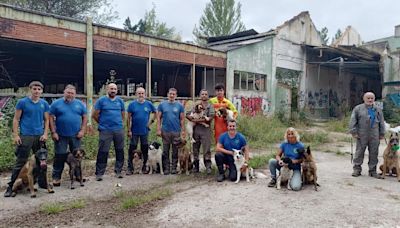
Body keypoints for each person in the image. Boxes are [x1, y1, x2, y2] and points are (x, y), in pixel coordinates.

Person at [4, 81, 50, 197]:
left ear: (42, 91)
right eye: (34, 89)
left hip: (39, 136)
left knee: (42, 162)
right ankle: (11, 186)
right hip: (26, 136)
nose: (37, 91)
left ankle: (43, 183)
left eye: (39, 89)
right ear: (30, 90)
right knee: (20, 162)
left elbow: (46, 120)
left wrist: (45, 133)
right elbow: (16, 119)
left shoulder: (44, 103)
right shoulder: (22, 102)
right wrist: (16, 135)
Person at [49, 84, 87, 186]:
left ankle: (78, 176)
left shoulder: (80, 104)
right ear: (64, 93)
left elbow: (84, 117)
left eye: (72, 93)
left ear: (75, 94)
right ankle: (56, 177)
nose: (70, 95)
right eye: (68, 93)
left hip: (76, 135)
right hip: (60, 135)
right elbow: (51, 118)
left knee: (77, 157)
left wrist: (82, 130)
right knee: (59, 156)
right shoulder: (56, 104)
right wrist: (53, 132)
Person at [92, 83, 125, 180]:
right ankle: (99, 173)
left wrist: (119, 123)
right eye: (111, 89)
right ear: (107, 89)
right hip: (105, 130)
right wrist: (102, 123)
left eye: (115, 89)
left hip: (118, 130)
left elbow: (123, 114)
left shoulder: (120, 101)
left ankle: (118, 171)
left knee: (119, 150)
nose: (113, 90)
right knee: (103, 151)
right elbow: (95, 115)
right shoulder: (101, 100)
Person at [349, 92, 385, 178]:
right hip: (362, 133)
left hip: (374, 134)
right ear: (364, 99)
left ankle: (372, 171)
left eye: (372, 98)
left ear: (374, 99)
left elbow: (381, 122)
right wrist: (353, 132)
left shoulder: (378, 109)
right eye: (368, 98)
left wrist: (382, 133)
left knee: (374, 152)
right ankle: (357, 169)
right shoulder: (358, 108)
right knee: (359, 152)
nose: (370, 100)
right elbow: (353, 120)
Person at [126, 87, 156, 175]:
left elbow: (155, 113)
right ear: (136, 94)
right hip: (134, 131)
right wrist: (129, 130)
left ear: (145, 94)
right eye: (139, 93)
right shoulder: (132, 105)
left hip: (144, 131)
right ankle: (130, 168)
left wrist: (150, 122)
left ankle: (144, 167)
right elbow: (128, 118)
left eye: (142, 93)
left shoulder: (148, 104)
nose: (141, 95)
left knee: (145, 150)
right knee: (132, 150)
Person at [156, 88, 185, 175]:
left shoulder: (179, 106)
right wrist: (158, 129)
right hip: (165, 131)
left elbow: (182, 119)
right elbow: (159, 118)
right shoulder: (162, 105)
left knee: (175, 150)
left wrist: (183, 131)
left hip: (176, 131)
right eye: (170, 94)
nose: (172, 95)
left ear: (176, 95)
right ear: (167, 94)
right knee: (165, 150)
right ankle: (166, 168)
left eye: (173, 94)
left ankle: (174, 168)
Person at [186, 89, 214, 174]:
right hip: (195, 130)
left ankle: (208, 166)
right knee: (195, 149)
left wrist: (196, 120)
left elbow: (211, 117)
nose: (204, 95)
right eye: (202, 94)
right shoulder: (195, 105)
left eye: (206, 94)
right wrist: (192, 118)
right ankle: (196, 167)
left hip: (206, 130)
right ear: (200, 95)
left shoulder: (210, 106)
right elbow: (187, 114)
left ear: (208, 96)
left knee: (206, 149)